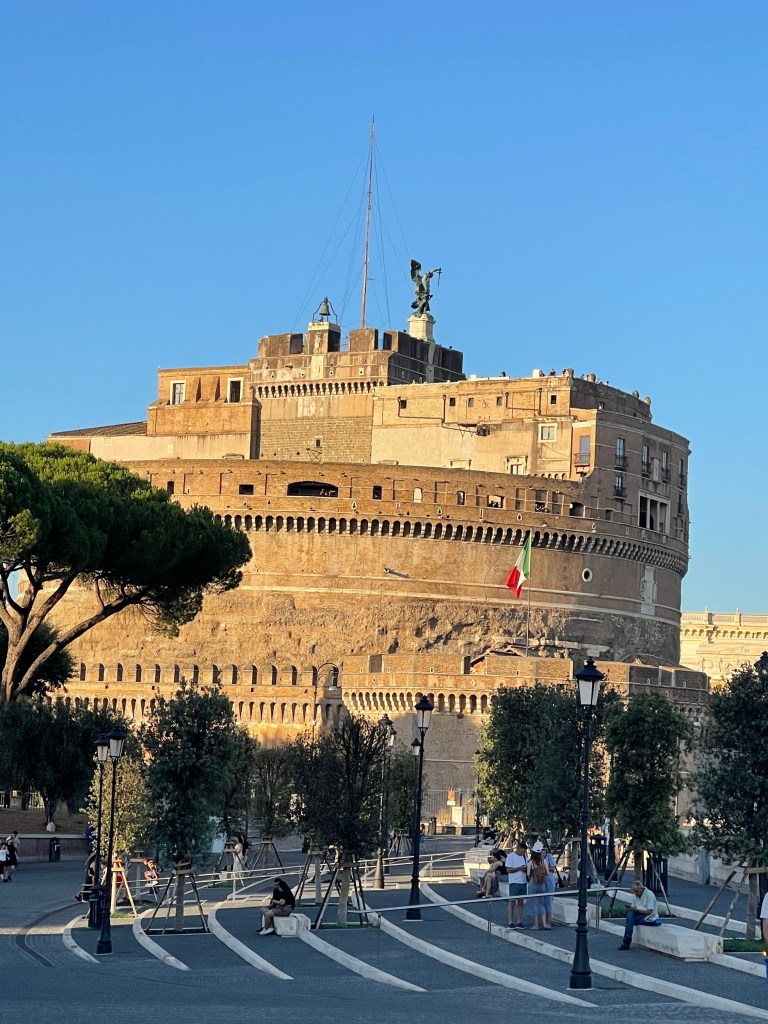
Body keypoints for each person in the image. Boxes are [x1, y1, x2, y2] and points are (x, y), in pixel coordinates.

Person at [618, 878, 661, 949]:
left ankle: (626, 941)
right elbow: (634, 906)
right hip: (638, 913)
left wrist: (637, 910)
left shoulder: (649, 894)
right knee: (630, 914)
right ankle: (627, 939)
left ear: (641, 888)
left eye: (637, 891)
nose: (636, 893)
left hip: (648, 916)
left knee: (630, 920)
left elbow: (649, 912)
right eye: (634, 891)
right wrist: (631, 908)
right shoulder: (635, 895)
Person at [526, 842, 550, 930]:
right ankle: (544, 924)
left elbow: (528, 874)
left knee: (534, 903)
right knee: (541, 903)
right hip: (542, 884)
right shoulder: (544, 861)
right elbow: (547, 873)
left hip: (533, 883)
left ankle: (536, 925)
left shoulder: (530, 862)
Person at [505, 840, 528, 928]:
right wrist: (519, 868)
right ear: (518, 849)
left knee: (521, 902)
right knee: (512, 902)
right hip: (514, 882)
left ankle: (519, 921)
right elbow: (508, 870)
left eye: (524, 852)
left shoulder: (525, 857)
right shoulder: (511, 857)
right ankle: (510, 921)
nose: (523, 853)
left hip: (523, 881)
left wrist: (525, 869)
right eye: (522, 851)